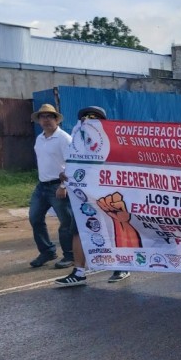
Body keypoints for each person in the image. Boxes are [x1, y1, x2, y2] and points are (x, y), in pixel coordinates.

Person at [55, 106, 130, 286]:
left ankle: (121, 266)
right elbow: (71, 167)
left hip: (106, 194)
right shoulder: (77, 144)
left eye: (94, 119)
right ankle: (79, 272)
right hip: (84, 197)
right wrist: (64, 180)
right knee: (79, 230)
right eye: (85, 119)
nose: (89, 122)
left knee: (112, 230)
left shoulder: (112, 142)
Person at [28, 103, 75, 269]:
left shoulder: (64, 139)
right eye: (43, 117)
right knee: (35, 218)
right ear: (39, 120)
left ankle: (70, 255)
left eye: (49, 116)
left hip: (58, 186)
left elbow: (72, 164)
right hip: (42, 186)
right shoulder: (39, 138)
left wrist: (63, 186)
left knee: (66, 222)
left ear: (56, 119)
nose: (46, 120)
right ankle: (47, 251)